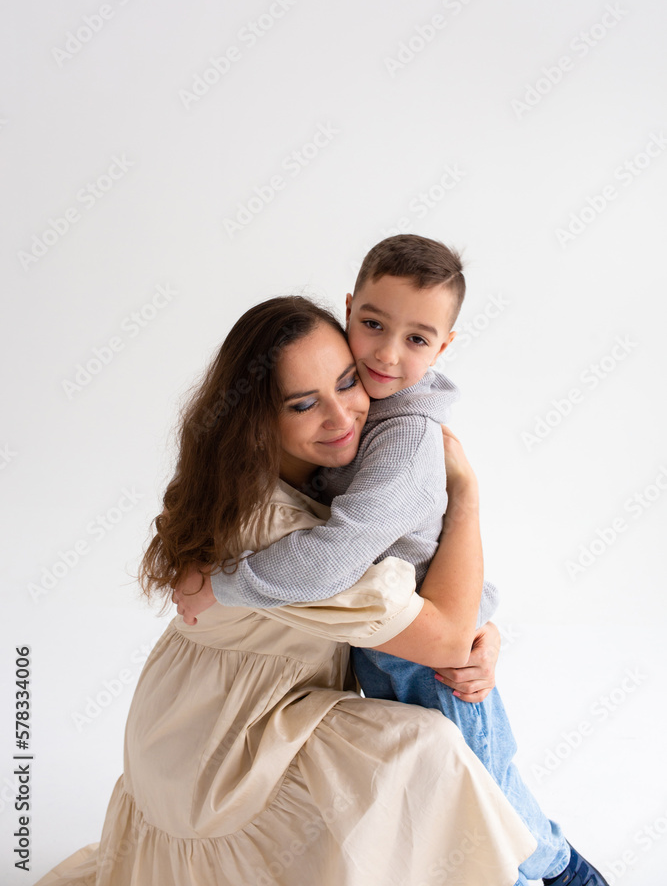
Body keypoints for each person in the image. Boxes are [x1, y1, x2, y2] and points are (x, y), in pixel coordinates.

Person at [34, 294, 536, 886]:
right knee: (425, 748)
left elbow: (441, 612)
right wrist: (467, 498)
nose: (343, 416)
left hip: (198, 715)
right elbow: (447, 642)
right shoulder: (289, 542)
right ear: (257, 422)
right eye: (303, 404)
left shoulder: (307, 482)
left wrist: (486, 628)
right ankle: (539, 865)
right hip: (218, 755)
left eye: (348, 382)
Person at [178, 236, 609, 886]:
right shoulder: (358, 407)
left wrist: (225, 586)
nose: (384, 353)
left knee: (487, 815)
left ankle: (566, 874)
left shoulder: (405, 442)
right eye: (373, 325)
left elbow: (338, 554)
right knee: (465, 802)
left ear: (443, 347)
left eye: (416, 338)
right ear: (348, 309)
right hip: (389, 648)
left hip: (431, 667)